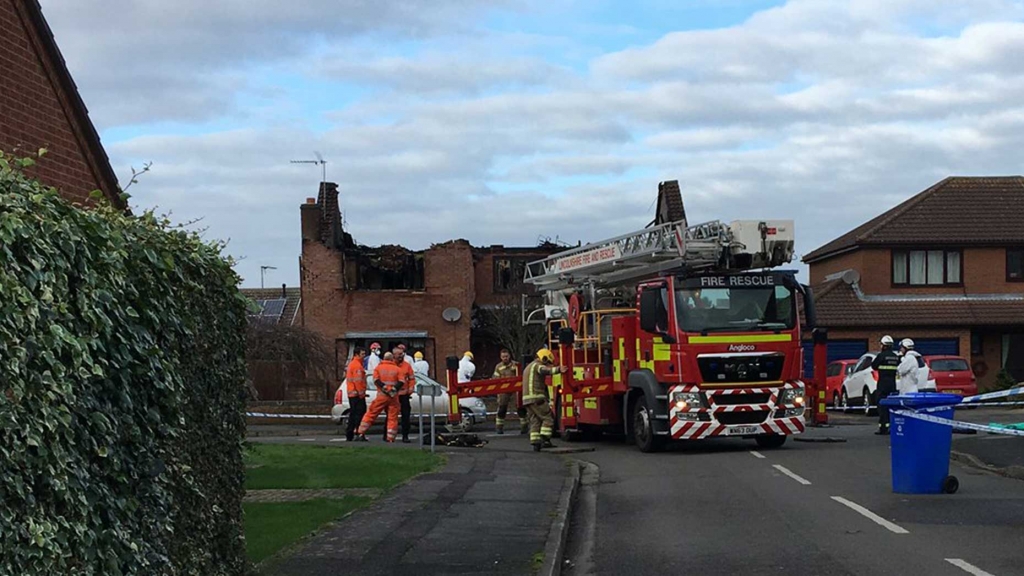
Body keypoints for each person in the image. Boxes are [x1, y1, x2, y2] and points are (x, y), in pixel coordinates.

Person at [522, 348, 568, 451]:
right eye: (547, 362)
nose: (548, 365)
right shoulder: (537, 365)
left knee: (535, 420)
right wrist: (559, 369)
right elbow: (544, 370)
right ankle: (545, 439)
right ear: (544, 358)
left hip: (527, 400)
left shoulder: (529, 366)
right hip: (536, 398)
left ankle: (535, 442)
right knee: (548, 417)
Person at [355, 352, 401, 443]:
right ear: (392, 359)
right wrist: (392, 390)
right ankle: (390, 437)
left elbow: (376, 380)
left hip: (381, 396)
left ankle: (360, 432)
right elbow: (401, 381)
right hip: (393, 397)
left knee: (371, 414)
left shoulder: (378, 368)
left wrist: (385, 389)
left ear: (383, 358)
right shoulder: (397, 369)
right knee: (392, 417)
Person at [871, 335, 901, 435]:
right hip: (892, 384)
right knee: (891, 406)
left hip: (882, 384)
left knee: (881, 406)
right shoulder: (895, 357)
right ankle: (891, 427)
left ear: (883, 346)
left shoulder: (881, 356)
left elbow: (874, 366)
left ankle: (883, 428)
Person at [492, 348, 522, 435]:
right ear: (500, 357)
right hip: (503, 390)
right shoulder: (498, 367)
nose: (505, 358)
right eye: (503, 357)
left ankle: (524, 427)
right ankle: (499, 428)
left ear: (509, 356)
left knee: (520, 407)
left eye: (506, 356)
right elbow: (495, 379)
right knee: (502, 408)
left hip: (515, 390)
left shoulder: (516, 365)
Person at [391, 347, 415, 443]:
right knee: (391, 417)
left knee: (406, 416)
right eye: (399, 354)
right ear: (394, 355)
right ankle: (389, 436)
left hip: (404, 395)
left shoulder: (407, 366)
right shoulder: (390, 365)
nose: (401, 356)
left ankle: (405, 436)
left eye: (402, 354)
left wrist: (411, 388)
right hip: (393, 395)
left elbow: (412, 379)